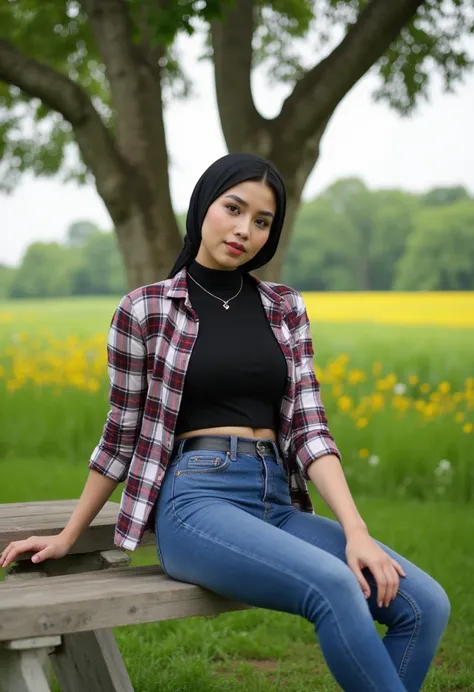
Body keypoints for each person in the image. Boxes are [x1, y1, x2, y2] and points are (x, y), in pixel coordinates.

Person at [0, 153, 450, 691]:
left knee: (425, 605)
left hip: (275, 503)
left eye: (262, 221)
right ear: (202, 208)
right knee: (333, 584)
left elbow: (309, 428)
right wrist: (70, 535)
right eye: (233, 209)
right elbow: (122, 432)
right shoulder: (145, 310)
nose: (245, 230)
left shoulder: (285, 308)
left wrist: (358, 532)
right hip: (196, 501)